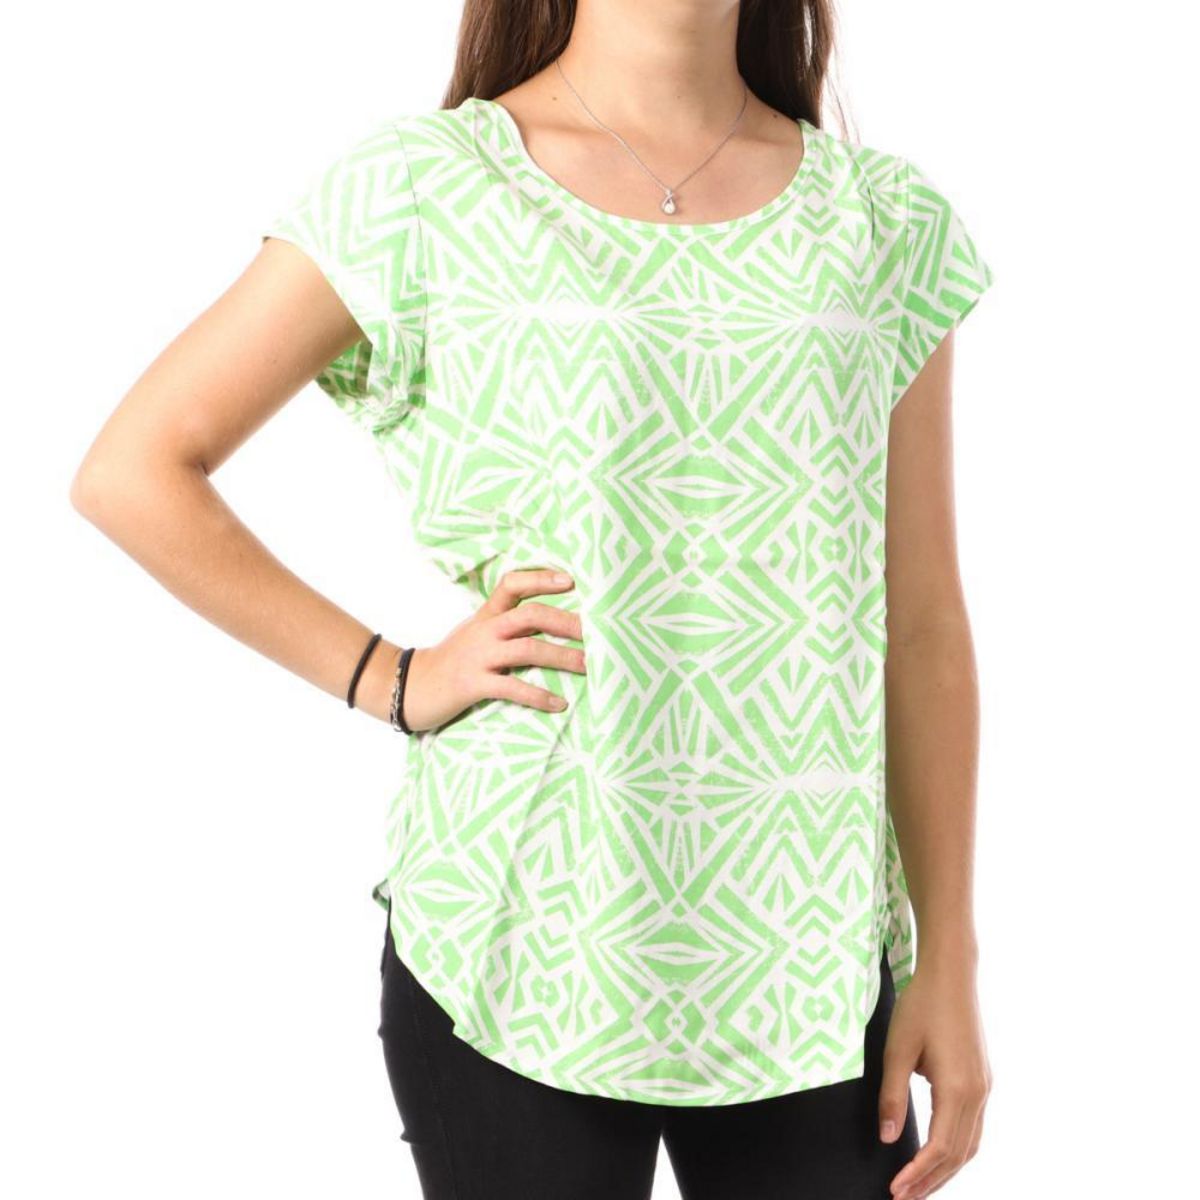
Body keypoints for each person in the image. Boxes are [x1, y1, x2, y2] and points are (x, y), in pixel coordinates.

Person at [70, 1, 996, 1197]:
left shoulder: (882, 221)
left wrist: (948, 957)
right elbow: (136, 470)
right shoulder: (426, 188)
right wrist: (392, 678)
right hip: (520, 929)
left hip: (804, 955)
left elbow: (920, 625)